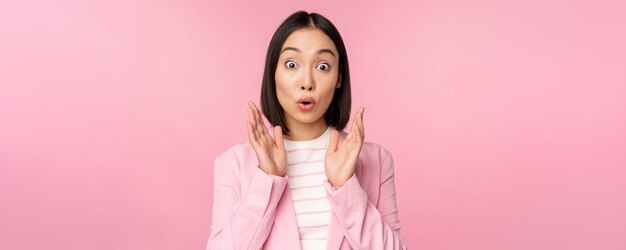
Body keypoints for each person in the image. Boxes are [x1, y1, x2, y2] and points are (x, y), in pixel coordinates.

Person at [206, 10, 407, 250]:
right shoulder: (232, 164)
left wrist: (345, 186)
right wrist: (267, 179)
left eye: (323, 66)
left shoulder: (377, 161)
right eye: (292, 64)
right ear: (273, 73)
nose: (307, 82)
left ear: (339, 77)